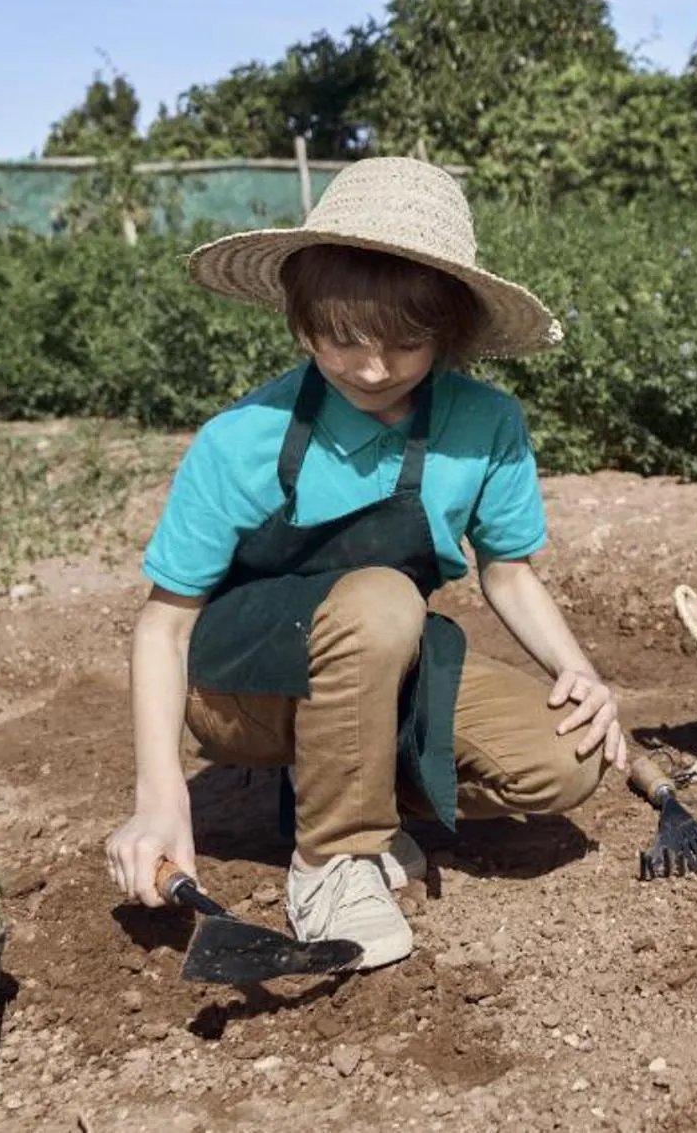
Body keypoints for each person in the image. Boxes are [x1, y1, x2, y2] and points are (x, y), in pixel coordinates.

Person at [103, 158, 629, 970]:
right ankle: (331, 864)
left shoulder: (484, 424)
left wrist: (581, 672)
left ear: (447, 331)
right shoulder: (241, 439)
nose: (373, 369)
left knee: (566, 756)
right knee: (386, 599)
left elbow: (510, 571)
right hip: (243, 685)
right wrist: (160, 794)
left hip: (384, 658)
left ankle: (362, 802)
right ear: (300, 316)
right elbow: (164, 627)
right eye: (342, 337)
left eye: (407, 342)